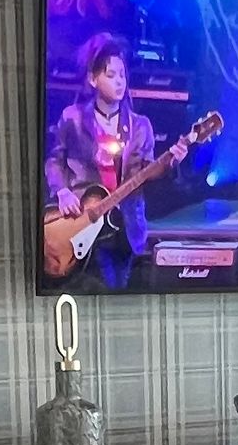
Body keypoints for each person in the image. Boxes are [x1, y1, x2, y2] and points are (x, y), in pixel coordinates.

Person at [45, 36, 163, 289]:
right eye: (111, 75)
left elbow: (149, 174)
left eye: (122, 75)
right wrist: (63, 192)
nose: (119, 81)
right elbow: (54, 161)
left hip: (127, 227)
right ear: (93, 79)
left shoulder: (140, 126)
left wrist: (170, 162)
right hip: (84, 222)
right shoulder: (73, 118)